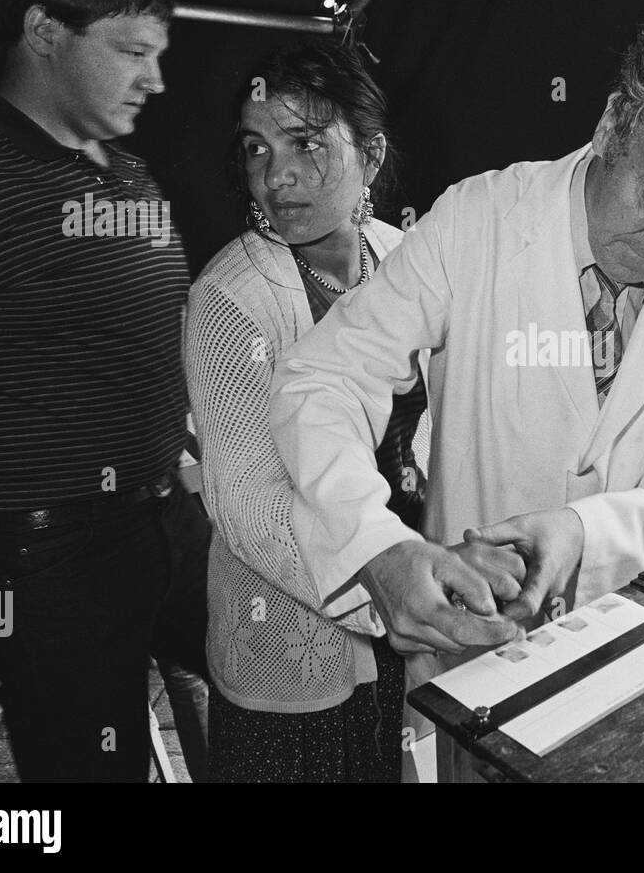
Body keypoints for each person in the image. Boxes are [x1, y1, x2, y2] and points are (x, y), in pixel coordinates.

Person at [268, 7, 644, 658]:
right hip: (471, 640)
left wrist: (583, 532)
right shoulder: (480, 222)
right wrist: (374, 548)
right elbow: (324, 378)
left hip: (631, 639)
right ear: (613, 127)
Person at [0, 0, 210, 781]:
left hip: (171, 519)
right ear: (44, 31)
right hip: (48, 567)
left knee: (275, 679)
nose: (156, 78)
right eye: (132, 51)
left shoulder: (132, 176)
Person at [186, 41, 516, 782]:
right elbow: (246, 504)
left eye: (306, 143)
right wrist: (383, 580)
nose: (277, 175)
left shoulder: (404, 260)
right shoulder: (229, 299)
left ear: (371, 154)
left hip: (401, 617)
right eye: (256, 149)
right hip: (288, 642)